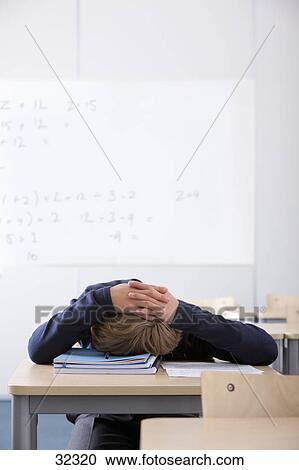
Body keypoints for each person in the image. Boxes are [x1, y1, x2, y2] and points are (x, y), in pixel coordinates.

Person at [28, 278, 278, 449]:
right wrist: (99, 301)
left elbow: (265, 350)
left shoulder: (180, 321)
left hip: (171, 413)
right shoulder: (93, 312)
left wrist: (185, 315)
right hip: (104, 414)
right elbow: (38, 350)